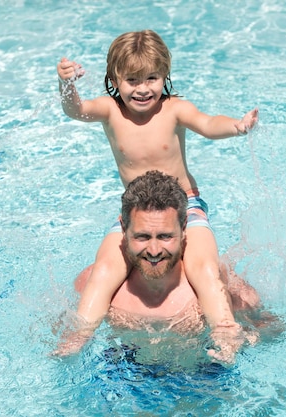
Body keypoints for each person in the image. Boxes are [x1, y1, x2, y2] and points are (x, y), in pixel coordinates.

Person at [56, 30, 259, 358]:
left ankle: (225, 330)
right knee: (105, 269)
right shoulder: (110, 111)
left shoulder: (174, 109)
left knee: (204, 267)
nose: (142, 88)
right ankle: (78, 334)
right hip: (138, 212)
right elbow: (75, 110)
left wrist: (236, 126)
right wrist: (67, 85)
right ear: (114, 79)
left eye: (152, 78)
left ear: (165, 76)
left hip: (185, 206)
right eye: (132, 79)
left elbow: (208, 124)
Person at [53, 171, 263, 363]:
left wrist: (245, 338)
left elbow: (271, 330)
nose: (154, 251)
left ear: (183, 229)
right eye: (143, 236)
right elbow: (55, 334)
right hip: (126, 371)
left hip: (200, 374)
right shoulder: (92, 284)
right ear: (123, 230)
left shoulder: (218, 287)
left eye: (165, 236)